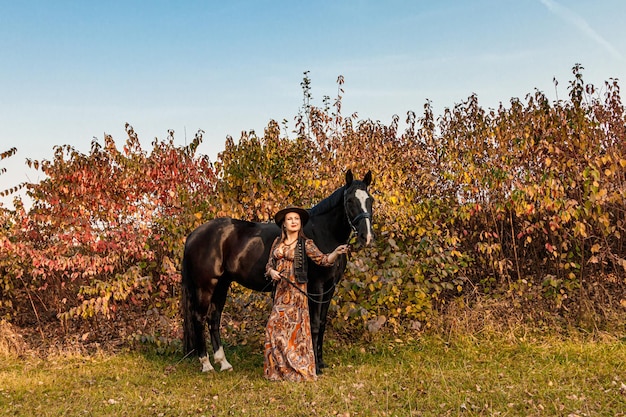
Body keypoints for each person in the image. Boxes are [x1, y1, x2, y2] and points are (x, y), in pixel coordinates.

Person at [264, 205, 349, 382]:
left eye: (296, 219)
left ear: (300, 224)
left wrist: (335, 253)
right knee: (273, 328)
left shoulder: (306, 244)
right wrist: (272, 272)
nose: (294, 222)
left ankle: (296, 368)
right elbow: (269, 265)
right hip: (281, 292)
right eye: (290, 219)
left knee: (295, 332)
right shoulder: (277, 243)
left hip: (297, 293)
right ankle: (279, 369)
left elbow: (323, 260)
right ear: (284, 224)